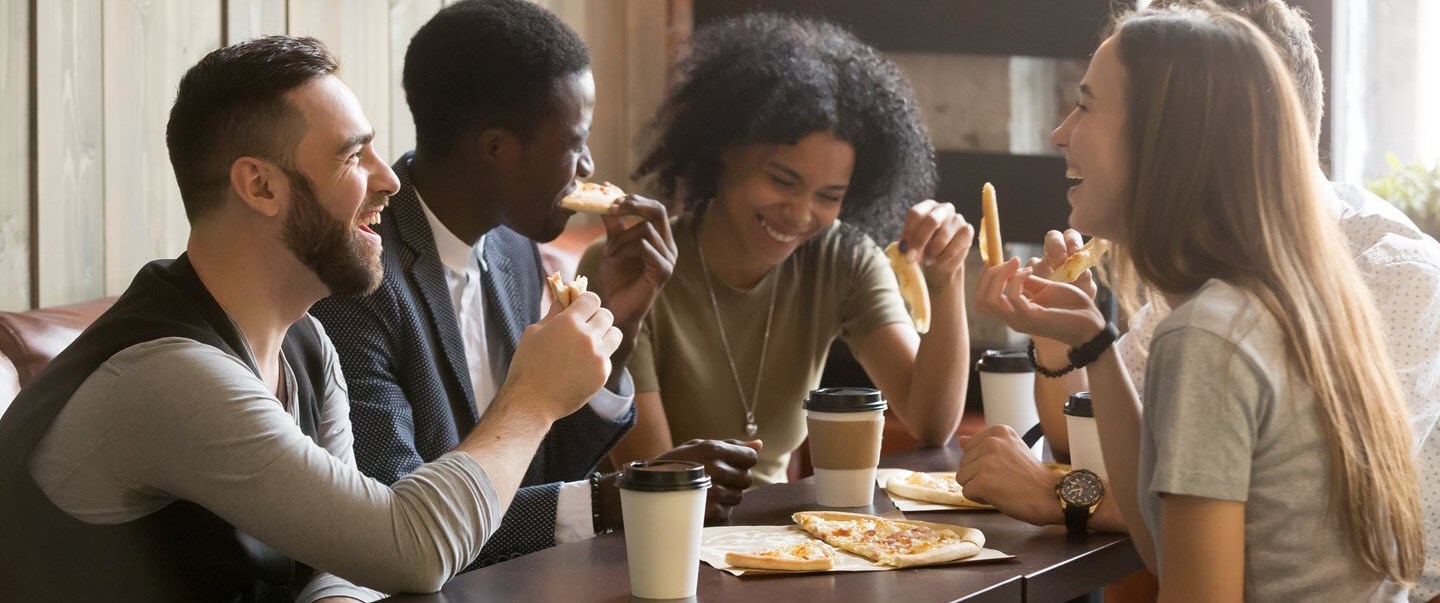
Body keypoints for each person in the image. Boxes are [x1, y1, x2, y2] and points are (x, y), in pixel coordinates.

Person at [0, 35, 620, 602]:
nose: (389, 181)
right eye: (353, 157)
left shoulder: (307, 341)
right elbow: (412, 549)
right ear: (261, 187)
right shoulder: (167, 376)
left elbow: (335, 565)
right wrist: (533, 396)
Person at [958, 1, 1440, 599]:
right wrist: (1095, 346)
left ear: (1165, 144)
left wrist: (1056, 493)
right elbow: (1161, 540)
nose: (1060, 134)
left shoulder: (1212, 334)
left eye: (1084, 106)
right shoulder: (1283, 296)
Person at [310, 0, 758, 568]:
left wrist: (618, 324)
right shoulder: (360, 279)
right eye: (575, 142)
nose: (589, 166)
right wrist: (605, 503)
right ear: (496, 148)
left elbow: (543, 471)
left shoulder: (514, 248)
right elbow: (404, 520)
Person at [583, 13, 973, 486]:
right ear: (726, 147)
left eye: (829, 196)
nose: (800, 213)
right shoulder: (628, 268)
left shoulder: (842, 260)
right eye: (782, 181)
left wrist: (946, 278)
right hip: (651, 537)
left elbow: (930, 422)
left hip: (780, 541)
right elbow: (658, 483)